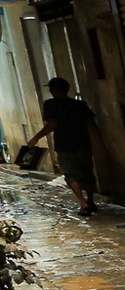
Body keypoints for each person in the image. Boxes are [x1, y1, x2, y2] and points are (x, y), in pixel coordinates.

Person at [24, 77, 100, 215]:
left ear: (53, 90)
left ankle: (83, 203)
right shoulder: (80, 105)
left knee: (71, 175)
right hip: (83, 144)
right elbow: (92, 125)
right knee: (87, 173)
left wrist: (35, 138)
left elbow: (52, 124)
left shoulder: (51, 104)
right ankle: (91, 200)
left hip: (65, 145)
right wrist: (100, 144)